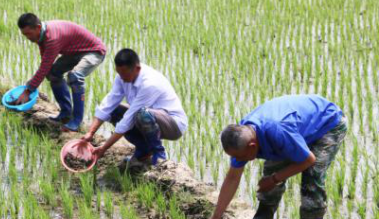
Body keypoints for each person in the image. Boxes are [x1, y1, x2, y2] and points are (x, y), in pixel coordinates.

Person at [210, 94, 347, 219]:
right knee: (271, 171)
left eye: (239, 157)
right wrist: (216, 216)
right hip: (295, 131)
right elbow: (233, 178)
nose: (237, 160)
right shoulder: (240, 138)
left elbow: (308, 160)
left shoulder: (278, 132)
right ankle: (263, 216)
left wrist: (274, 179)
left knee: (311, 176)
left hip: (328, 123)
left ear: (252, 146)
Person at [81, 48, 188, 166]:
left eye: (124, 74)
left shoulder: (150, 83)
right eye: (119, 73)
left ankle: (159, 155)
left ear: (137, 69)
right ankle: (144, 150)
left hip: (173, 124)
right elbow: (109, 103)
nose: (121, 78)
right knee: (114, 110)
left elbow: (128, 119)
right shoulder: (123, 76)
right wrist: (90, 133)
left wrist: (104, 148)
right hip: (147, 117)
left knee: (142, 114)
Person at [15, 13, 106, 132]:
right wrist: (32, 85)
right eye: (24, 34)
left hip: (94, 51)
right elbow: (46, 64)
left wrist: (28, 90)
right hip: (75, 52)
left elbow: (44, 66)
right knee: (52, 73)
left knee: (75, 77)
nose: (27, 37)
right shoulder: (40, 34)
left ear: (37, 27)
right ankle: (65, 113)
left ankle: (76, 121)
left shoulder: (52, 38)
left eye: (28, 34)